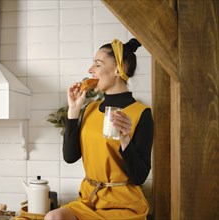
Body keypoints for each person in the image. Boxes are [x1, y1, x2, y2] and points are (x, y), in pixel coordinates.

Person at [45, 38, 154, 220]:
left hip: (123, 205)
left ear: (119, 70)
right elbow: (70, 157)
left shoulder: (141, 113)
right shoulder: (90, 108)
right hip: (90, 200)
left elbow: (139, 177)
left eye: (97, 64)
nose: (90, 70)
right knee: (53, 217)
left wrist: (125, 139)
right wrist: (73, 111)